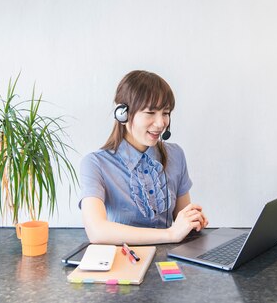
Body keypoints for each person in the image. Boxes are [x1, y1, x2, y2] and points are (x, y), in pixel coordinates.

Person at [79, 70, 209, 245]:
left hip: (169, 260)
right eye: (150, 113)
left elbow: (181, 218)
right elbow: (97, 231)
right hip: (125, 262)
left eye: (165, 112)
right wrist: (170, 234)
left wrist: (192, 221)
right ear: (122, 114)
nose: (161, 123)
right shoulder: (95, 164)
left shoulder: (176, 154)